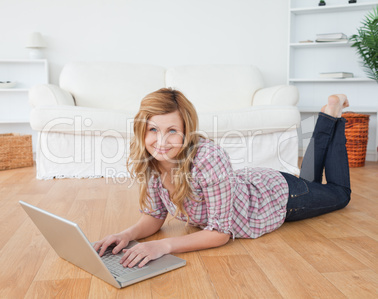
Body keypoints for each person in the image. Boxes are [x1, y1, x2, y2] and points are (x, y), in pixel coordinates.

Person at [93, 88, 351, 269]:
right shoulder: (152, 160)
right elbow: (154, 216)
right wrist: (126, 234)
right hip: (254, 180)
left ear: (187, 132)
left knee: (339, 193)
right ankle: (328, 115)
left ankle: (333, 114)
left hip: (280, 197)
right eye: (153, 129)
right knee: (312, 181)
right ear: (143, 130)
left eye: (172, 130)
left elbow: (219, 233)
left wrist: (164, 247)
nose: (160, 141)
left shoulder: (207, 157)